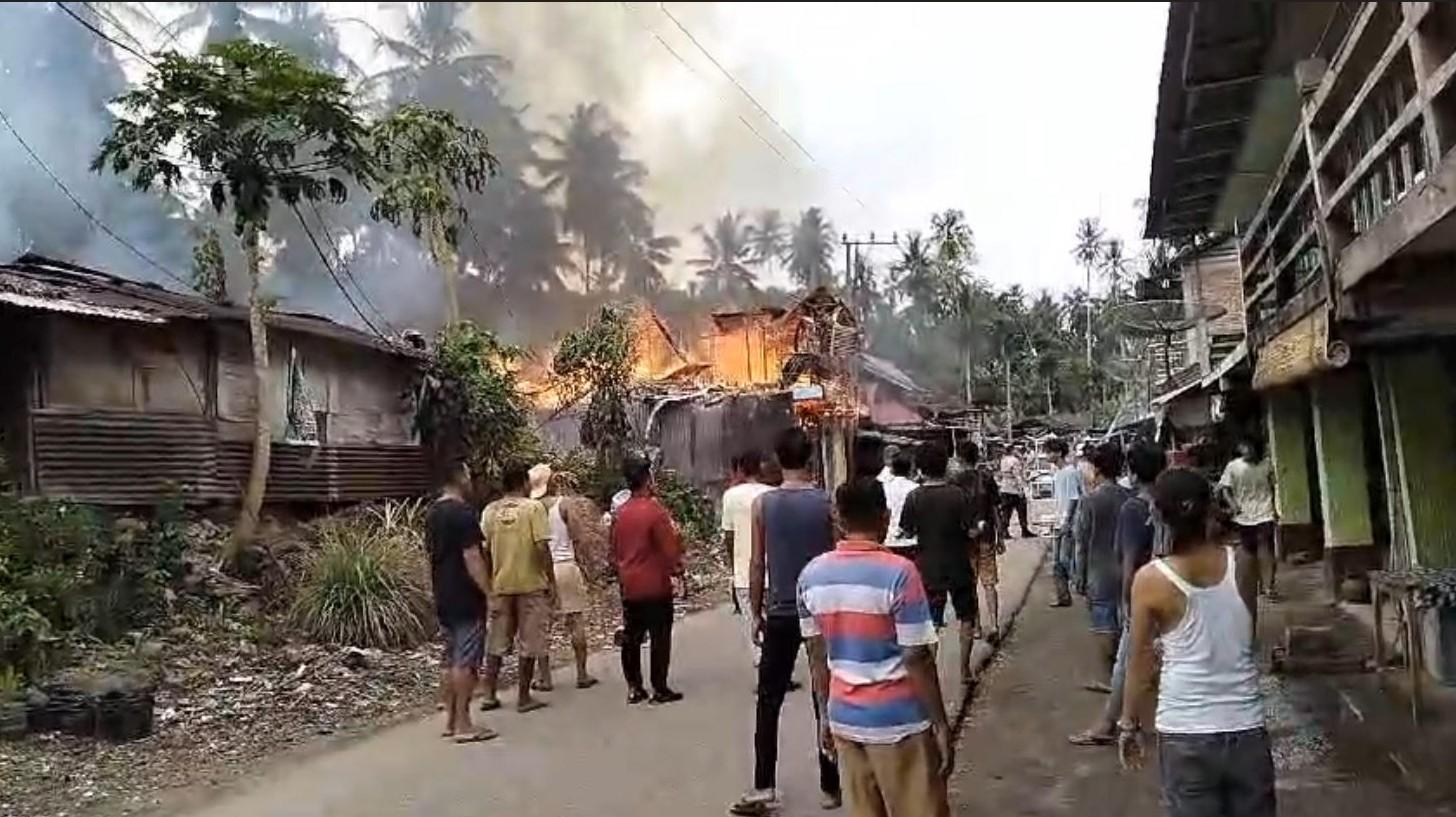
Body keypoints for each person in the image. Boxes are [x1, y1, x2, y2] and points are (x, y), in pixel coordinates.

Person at [1119, 468, 1273, 817]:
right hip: (1245, 725)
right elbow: (1245, 637)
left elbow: (1139, 662)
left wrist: (1129, 723)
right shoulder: (1244, 564)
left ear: (1159, 517)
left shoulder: (1149, 580)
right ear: (1209, 509)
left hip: (1185, 731)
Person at [799, 477, 953, 817]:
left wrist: (825, 715)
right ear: (885, 518)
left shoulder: (811, 576)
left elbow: (816, 654)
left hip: (845, 720)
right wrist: (940, 723)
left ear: (838, 519)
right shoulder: (901, 573)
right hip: (899, 721)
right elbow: (917, 656)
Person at [730, 427, 841, 815]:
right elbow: (836, 554)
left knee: (769, 700)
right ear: (810, 458)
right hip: (822, 611)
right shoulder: (827, 503)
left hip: (780, 610)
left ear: (777, 460)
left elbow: (757, 562)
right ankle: (831, 785)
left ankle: (763, 786)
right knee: (824, 696)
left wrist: (756, 611)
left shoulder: (765, 505)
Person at [1069, 439, 1167, 746]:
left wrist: (1127, 601)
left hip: (1134, 587)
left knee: (1126, 659)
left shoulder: (1132, 507)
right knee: (1142, 658)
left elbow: (1127, 559)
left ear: (1133, 471)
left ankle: (1111, 723)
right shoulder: (1162, 504)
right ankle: (1126, 719)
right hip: (1165, 587)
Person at [899, 442, 983, 689]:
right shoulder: (958, 495)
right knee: (966, 617)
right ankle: (965, 670)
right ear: (945, 465)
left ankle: (929, 673)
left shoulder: (914, 497)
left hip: (929, 568)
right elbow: (970, 530)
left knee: (931, 624)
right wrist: (978, 530)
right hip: (959, 565)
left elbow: (906, 531)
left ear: (920, 468)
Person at [424, 462, 496, 743]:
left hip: (444, 591)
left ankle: (451, 720)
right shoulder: (463, 513)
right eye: (468, 474)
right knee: (465, 659)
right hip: (465, 594)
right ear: (460, 477)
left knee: (450, 655)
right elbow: (472, 557)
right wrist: (489, 592)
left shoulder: (433, 513)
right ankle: (465, 724)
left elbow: (430, 556)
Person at [479, 462, 556, 713]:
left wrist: (490, 581)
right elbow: (541, 547)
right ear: (524, 483)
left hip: (500, 585)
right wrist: (550, 579)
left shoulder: (490, 511)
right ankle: (524, 697)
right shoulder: (534, 509)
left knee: (497, 641)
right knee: (529, 640)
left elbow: (485, 550)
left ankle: (489, 694)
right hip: (531, 584)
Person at [611, 455, 684, 705]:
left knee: (632, 635)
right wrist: (678, 570)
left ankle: (634, 686)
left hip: (629, 584)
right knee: (660, 636)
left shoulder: (620, 513)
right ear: (647, 478)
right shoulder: (655, 511)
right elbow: (670, 547)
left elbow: (614, 549)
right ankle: (659, 687)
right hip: (654, 582)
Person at [531, 466, 599, 693]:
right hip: (566, 566)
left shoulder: (532, 509)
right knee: (575, 622)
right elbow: (579, 538)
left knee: (542, 627)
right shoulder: (565, 505)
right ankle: (581, 674)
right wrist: (589, 566)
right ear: (552, 482)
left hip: (541, 571)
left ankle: (544, 678)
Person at [1074, 441, 1131, 693]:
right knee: (1125, 621)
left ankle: (1110, 679)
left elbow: (1081, 542)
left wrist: (1078, 574)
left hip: (1099, 570)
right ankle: (1125, 673)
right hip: (1127, 569)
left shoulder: (1090, 501)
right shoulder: (1129, 498)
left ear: (1096, 469)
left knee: (1104, 624)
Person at [722, 449, 774, 666]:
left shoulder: (730, 496)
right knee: (772, 622)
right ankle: (778, 670)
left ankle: (762, 665)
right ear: (761, 467)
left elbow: (729, 535)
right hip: (773, 571)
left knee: (752, 620)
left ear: (740, 469)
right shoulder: (772, 494)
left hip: (744, 572)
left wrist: (732, 562)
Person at [951, 441, 1003, 643]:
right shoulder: (987, 477)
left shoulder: (955, 481)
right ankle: (994, 624)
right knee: (989, 583)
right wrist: (1001, 535)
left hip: (965, 539)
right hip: (987, 537)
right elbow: (995, 509)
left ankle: (977, 627)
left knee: (970, 584)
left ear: (960, 459)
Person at [1218, 438, 1278, 599]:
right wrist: (1233, 505)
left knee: (1265, 548)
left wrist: (1275, 507)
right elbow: (1224, 489)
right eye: (1243, 446)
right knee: (1249, 551)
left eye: (1248, 446)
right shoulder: (1233, 466)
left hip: (1265, 512)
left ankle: (1268, 586)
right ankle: (1256, 583)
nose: (1245, 449)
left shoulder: (1266, 464)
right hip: (1243, 515)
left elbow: (1272, 486)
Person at [1048, 438, 1084, 608]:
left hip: (1067, 522)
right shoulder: (1060, 472)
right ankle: (1063, 595)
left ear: (1058, 453)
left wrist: (1066, 521)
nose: (1047, 455)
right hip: (1060, 520)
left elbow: (1073, 499)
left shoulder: (1069, 472)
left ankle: (1079, 586)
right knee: (1056, 561)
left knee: (1064, 560)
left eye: (1049, 451)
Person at [882, 447, 920, 559]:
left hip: (888, 540)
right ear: (910, 469)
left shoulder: (883, 487)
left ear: (892, 469)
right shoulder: (916, 489)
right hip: (911, 542)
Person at [997, 444, 1033, 538]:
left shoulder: (1003, 460)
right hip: (1014, 489)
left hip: (1005, 487)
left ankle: (1004, 531)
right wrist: (1021, 488)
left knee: (1006, 511)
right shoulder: (1014, 461)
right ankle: (1024, 530)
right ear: (1012, 450)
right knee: (1021, 510)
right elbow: (1017, 475)